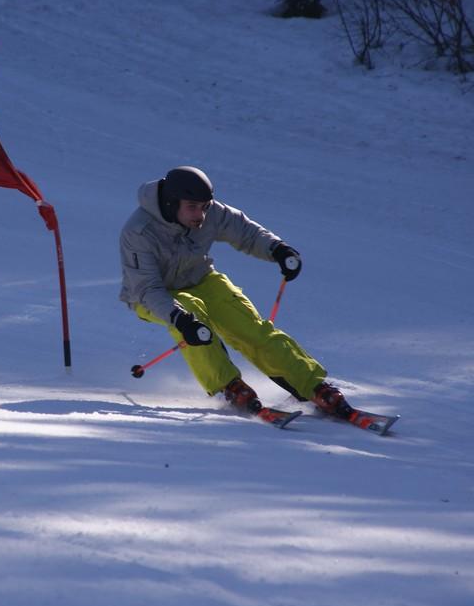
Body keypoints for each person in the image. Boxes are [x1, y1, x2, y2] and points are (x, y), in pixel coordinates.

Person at [119, 165, 354, 418]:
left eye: (204, 206)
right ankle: (228, 386)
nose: (200, 214)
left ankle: (313, 386)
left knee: (250, 328)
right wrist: (178, 317)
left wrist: (278, 250)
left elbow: (246, 232)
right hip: (151, 296)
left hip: (201, 280)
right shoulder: (139, 231)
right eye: (192, 207)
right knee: (193, 315)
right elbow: (148, 288)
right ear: (170, 203)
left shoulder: (210, 213)